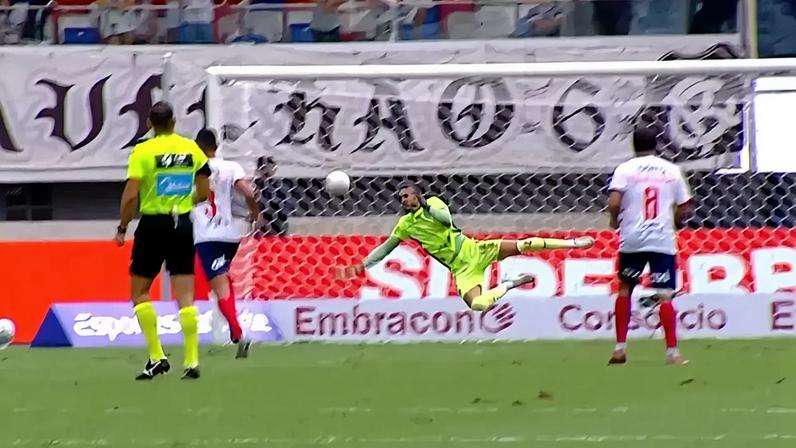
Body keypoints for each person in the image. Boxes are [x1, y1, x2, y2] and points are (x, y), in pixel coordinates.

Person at [336, 183, 594, 311]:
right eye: (400, 197)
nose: (402, 199)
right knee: (479, 305)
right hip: (462, 269)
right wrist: (363, 265)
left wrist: (425, 205)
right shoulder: (405, 225)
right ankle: (509, 284)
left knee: (523, 244)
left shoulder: (434, 204)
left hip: (474, 250)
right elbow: (386, 248)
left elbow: (445, 221)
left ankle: (573, 243)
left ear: (417, 195)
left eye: (406, 194)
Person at [115, 101, 211, 381]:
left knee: (140, 291)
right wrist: (183, 200)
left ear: (149, 123)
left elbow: (131, 195)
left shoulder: (143, 151)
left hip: (153, 225)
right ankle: (191, 360)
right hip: (182, 225)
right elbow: (204, 192)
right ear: (174, 121)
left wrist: (122, 227)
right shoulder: (191, 148)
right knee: (185, 296)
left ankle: (157, 356)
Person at [607, 127, 693, 366]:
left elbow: (614, 202)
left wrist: (614, 221)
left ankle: (619, 349)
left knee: (625, 289)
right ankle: (673, 353)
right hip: (661, 238)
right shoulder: (671, 169)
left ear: (633, 145)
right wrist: (677, 222)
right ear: (656, 145)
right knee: (665, 296)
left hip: (632, 238)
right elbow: (685, 204)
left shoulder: (625, 169)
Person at [191, 129, 259, 359]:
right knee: (221, 279)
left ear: (197, 146)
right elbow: (249, 192)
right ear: (217, 146)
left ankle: (238, 333)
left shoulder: (193, 167)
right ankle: (235, 331)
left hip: (207, 236)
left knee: (219, 285)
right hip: (230, 235)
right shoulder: (232, 167)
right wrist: (254, 213)